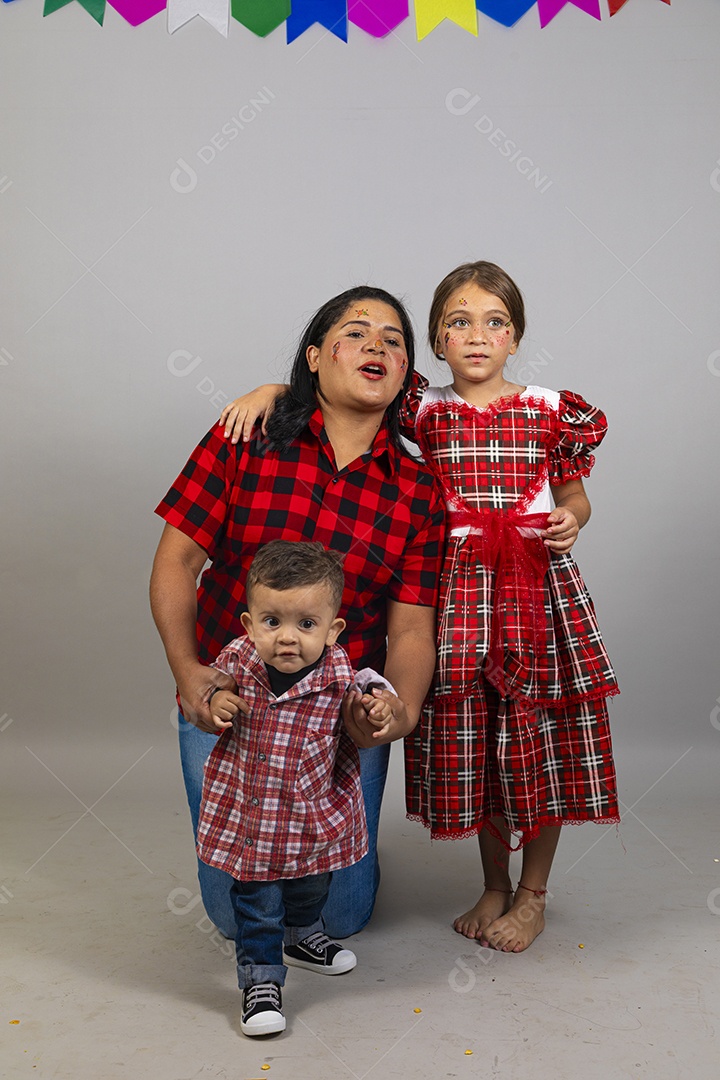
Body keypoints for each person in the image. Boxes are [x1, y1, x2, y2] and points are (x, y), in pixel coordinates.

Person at [220, 261, 619, 955]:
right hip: (460, 595)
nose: (477, 335)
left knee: (537, 738)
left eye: (495, 322)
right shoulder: (422, 409)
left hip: (532, 586)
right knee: (484, 740)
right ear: (436, 340)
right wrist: (271, 388)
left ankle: (534, 894)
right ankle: (495, 882)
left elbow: (573, 493)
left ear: (516, 337)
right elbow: (342, 392)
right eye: (458, 322)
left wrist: (572, 518)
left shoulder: (555, 411)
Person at [150, 286, 445, 943]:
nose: (378, 345)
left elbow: (411, 627)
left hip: (338, 718)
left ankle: (344, 849)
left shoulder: (420, 492)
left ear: (404, 372)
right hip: (229, 704)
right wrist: (189, 672)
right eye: (357, 332)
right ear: (315, 357)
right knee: (233, 921)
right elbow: (176, 565)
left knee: (340, 918)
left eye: (394, 340)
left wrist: (401, 707)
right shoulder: (246, 437)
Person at [199, 540, 396, 1036]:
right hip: (253, 817)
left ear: (332, 631)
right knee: (258, 903)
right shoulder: (239, 660)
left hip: (310, 813)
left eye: (306, 625)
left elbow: (368, 687)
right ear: (249, 625)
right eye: (272, 622)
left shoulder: (337, 668)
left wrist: (378, 704)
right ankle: (260, 981)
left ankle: (302, 935)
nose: (288, 639)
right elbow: (209, 686)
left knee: (314, 884)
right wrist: (217, 700)